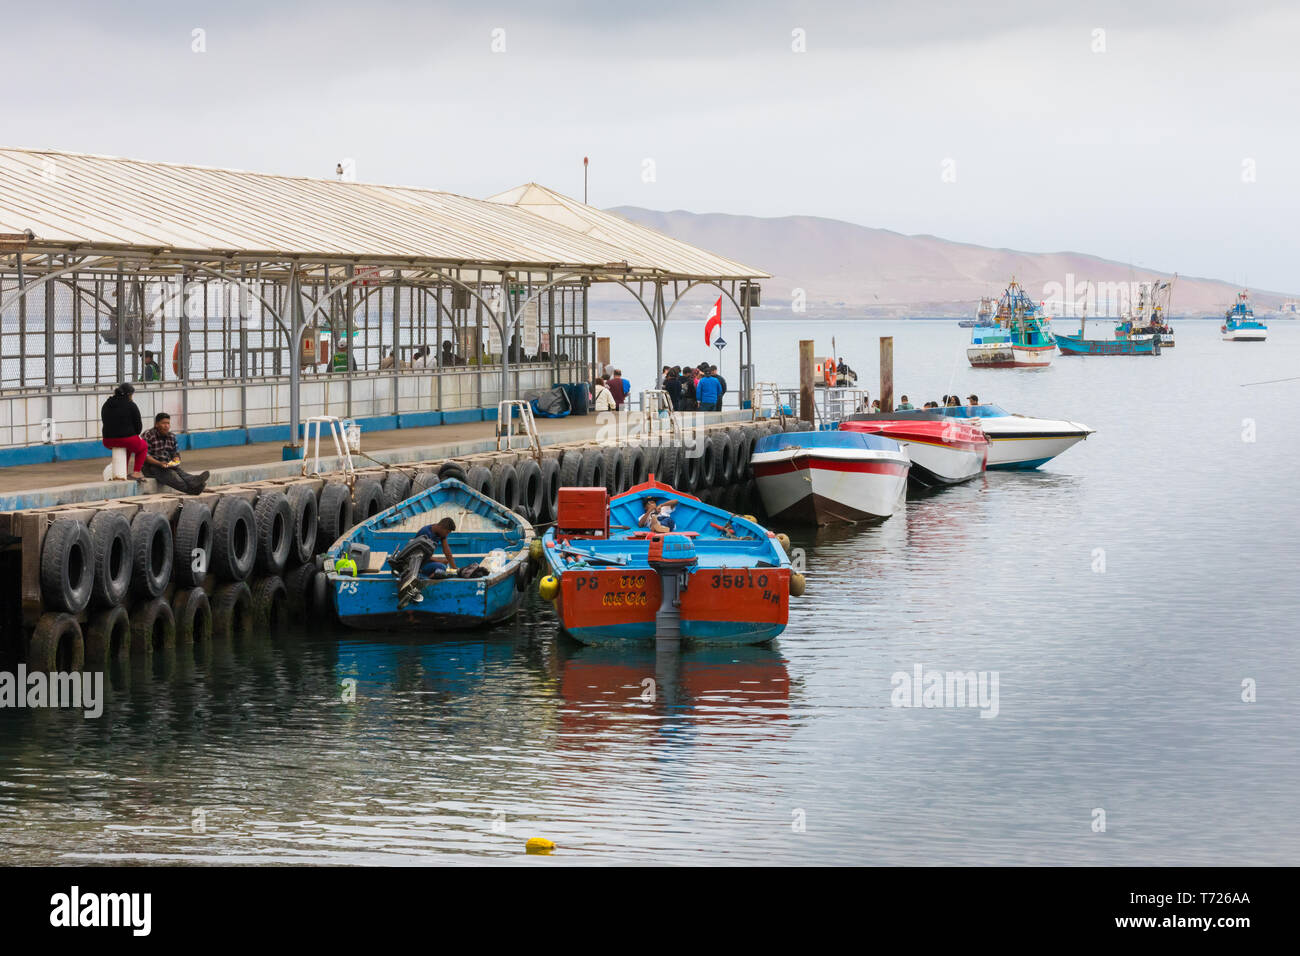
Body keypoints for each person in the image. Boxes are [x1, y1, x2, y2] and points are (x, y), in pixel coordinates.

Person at [141, 412, 209, 494]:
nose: (166, 426)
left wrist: (175, 461)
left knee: (180, 472)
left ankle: (194, 482)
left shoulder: (172, 436)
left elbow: (176, 454)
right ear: (156, 424)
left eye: (168, 423)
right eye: (163, 423)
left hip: (168, 465)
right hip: (151, 467)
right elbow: (145, 456)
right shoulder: (148, 435)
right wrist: (160, 463)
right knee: (172, 475)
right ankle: (193, 488)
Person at [101, 382, 147, 478]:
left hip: (107, 440)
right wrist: (133, 434)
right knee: (143, 447)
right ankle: (136, 472)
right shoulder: (131, 405)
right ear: (129, 394)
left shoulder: (106, 404)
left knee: (128, 447)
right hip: (127, 439)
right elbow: (138, 426)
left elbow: (104, 420)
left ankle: (123, 471)